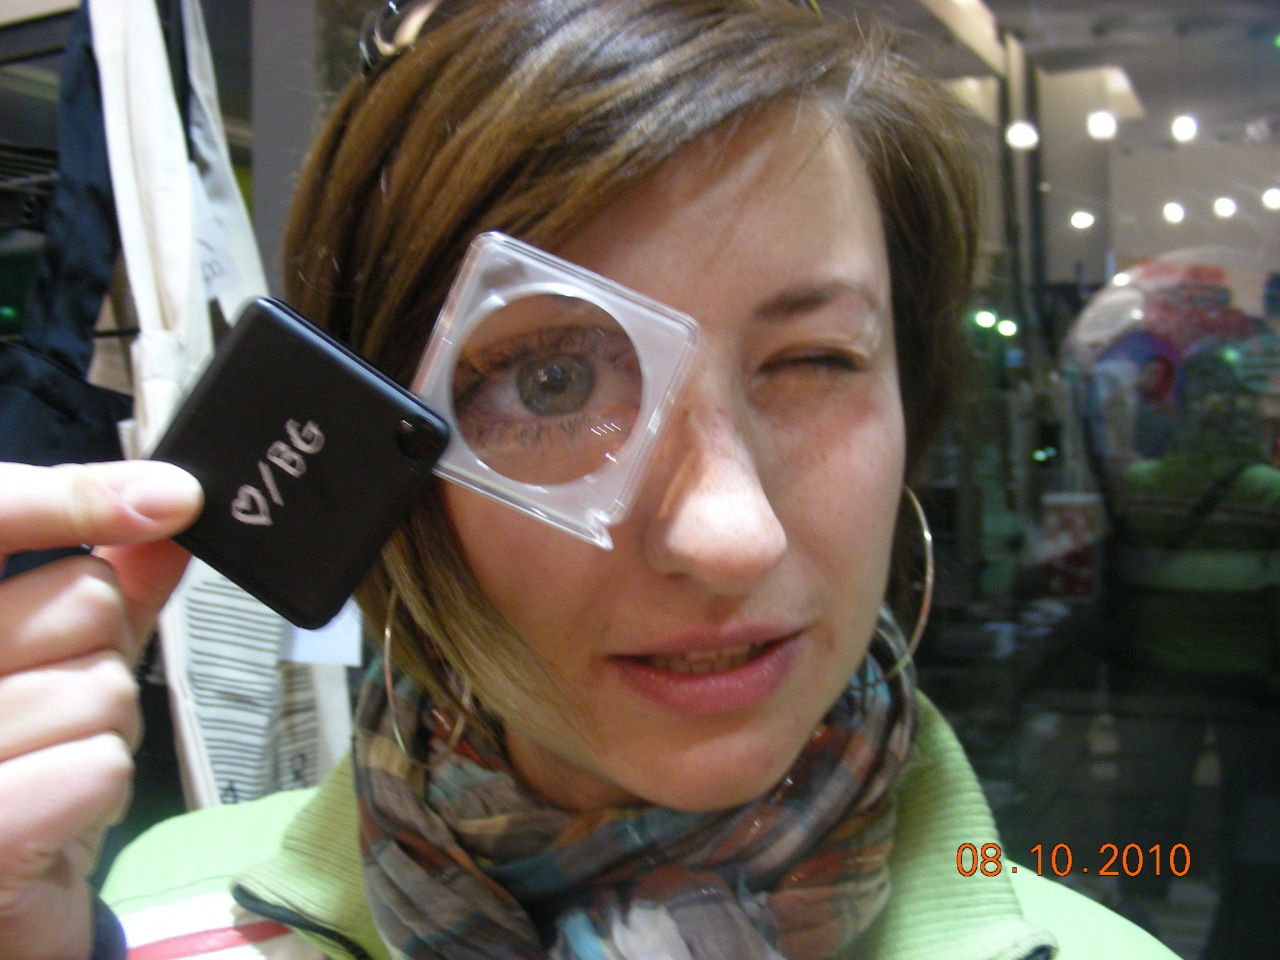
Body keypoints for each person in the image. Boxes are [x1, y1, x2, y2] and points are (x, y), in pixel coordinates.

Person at [0, 2, 1176, 958]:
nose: (729, 536)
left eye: (813, 360)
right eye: (551, 382)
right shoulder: (153, 916)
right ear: (378, 458)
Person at [1113, 341, 1280, 958]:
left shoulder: (1145, 484)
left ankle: (1137, 907)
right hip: (1247, 676)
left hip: (1162, 665)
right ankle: (1240, 916)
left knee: (1154, 795)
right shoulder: (1269, 492)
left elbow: (1125, 577)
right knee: (1246, 803)